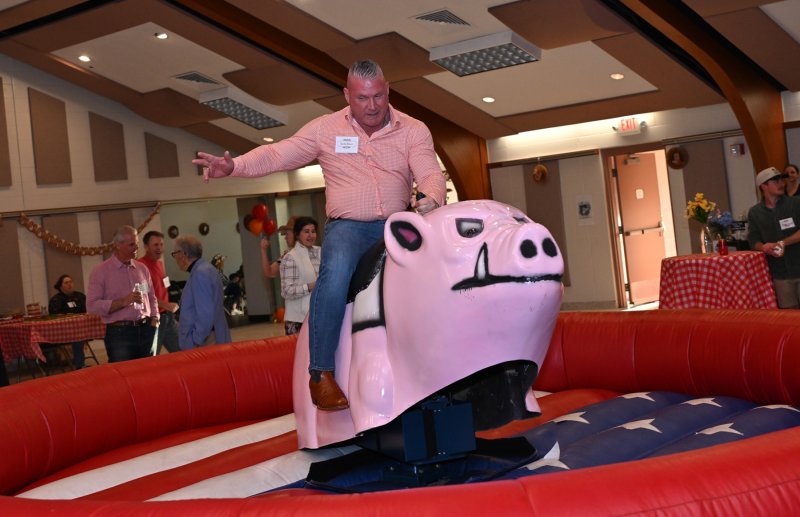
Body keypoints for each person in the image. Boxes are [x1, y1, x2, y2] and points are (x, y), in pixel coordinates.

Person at [193, 59, 446, 410]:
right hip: (348, 226)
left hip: (396, 223)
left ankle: (439, 356)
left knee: (436, 272)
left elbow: (429, 171)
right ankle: (321, 374)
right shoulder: (325, 129)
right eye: (362, 98)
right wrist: (236, 166)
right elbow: (278, 154)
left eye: (378, 96)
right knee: (336, 271)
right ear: (347, 95)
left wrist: (432, 196)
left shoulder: (413, 129)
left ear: (388, 91)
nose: (372, 106)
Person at [87, 225, 159, 362]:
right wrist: (123, 302)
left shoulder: (142, 269)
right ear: (118, 245)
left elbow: (151, 297)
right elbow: (92, 306)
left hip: (147, 329)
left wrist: (155, 319)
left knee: (148, 371)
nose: (136, 247)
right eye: (131, 244)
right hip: (119, 334)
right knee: (123, 373)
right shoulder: (101, 271)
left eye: (137, 243)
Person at [747, 166, 800, 308]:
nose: (781, 184)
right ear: (763, 186)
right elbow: (753, 240)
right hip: (780, 274)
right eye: (775, 181)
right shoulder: (755, 213)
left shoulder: (796, 203)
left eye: (781, 180)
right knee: (788, 317)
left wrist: (782, 243)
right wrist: (763, 247)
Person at [171, 235, 231, 349]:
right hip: (211, 335)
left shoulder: (200, 273)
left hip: (206, 341)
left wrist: (196, 340)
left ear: (183, 254)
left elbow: (205, 314)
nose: (175, 259)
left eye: (175, 254)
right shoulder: (206, 269)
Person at [137, 230, 180, 354]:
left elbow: (165, 286)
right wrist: (166, 305)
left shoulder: (160, 264)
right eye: (155, 245)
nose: (159, 248)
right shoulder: (140, 266)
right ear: (146, 247)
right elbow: (143, 296)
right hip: (153, 320)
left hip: (168, 317)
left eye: (161, 244)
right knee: (151, 356)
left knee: (183, 351)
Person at [280, 216, 321, 335]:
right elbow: (286, 291)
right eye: (306, 231)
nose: (311, 235)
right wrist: (310, 286)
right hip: (298, 320)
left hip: (319, 315)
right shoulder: (290, 257)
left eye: (313, 231)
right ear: (297, 234)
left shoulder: (321, 252)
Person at [47, 274, 88, 369]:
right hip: (63, 331)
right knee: (77, 337)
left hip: (81, 328)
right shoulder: (56, 300)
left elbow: (88, 309)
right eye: (66, 283)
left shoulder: (80, 296)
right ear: (60, 286)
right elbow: (54, 317)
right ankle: (80, 365)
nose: (69, 284)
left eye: (71, 282)